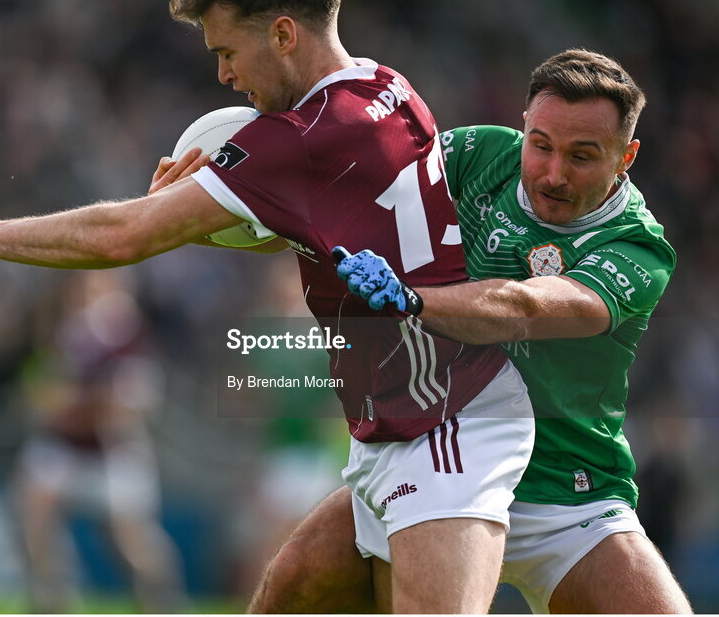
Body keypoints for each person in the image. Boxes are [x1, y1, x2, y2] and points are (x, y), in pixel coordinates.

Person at [0, 0, 534, 612]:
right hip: (404, 421)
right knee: (284, 592)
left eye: (227, 50)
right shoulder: (388, 88)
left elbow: (120, 238)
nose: (223, 75)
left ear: (285, 35)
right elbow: (316, 232)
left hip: (442, 421)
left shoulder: (295, 137)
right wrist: (203, 215)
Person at [247, 49, 692, 613]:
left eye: (583, 156)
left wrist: (412, 301)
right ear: (524, 126)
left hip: (567, 494)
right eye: (542, 146)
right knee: (289, 588)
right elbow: (340, 197)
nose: (554, 174)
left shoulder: (639, 247)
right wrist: (224, 201)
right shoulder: (480, 155)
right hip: (434, 457)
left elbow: (528, 306)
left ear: (625, 156)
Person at [13, 270, 187, 612]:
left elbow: (128, 405)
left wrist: (78, 405)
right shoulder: (68, 329)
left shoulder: (128, 335)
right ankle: (51, 600)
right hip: (65, 447)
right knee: (32, 509)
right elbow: (41, 387)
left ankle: (164, 603)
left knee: (130, 542)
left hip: (112, 451)